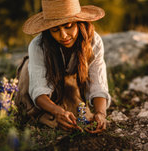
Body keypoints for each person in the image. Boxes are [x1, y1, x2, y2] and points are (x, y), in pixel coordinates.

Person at [15, 0, 110, 133]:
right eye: (55, 30)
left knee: (81, 115)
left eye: (68, 26)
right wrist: (57, 111)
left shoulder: (94, 41)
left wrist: (100, 113)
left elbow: (98, 83)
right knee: (27, 67)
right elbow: (38, 90)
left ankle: (68, 113)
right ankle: (42, 115)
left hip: (73, 91)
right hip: (46, 98)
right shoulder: (38, 46)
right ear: (48, 30)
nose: (63, 35)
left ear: (79, 22)